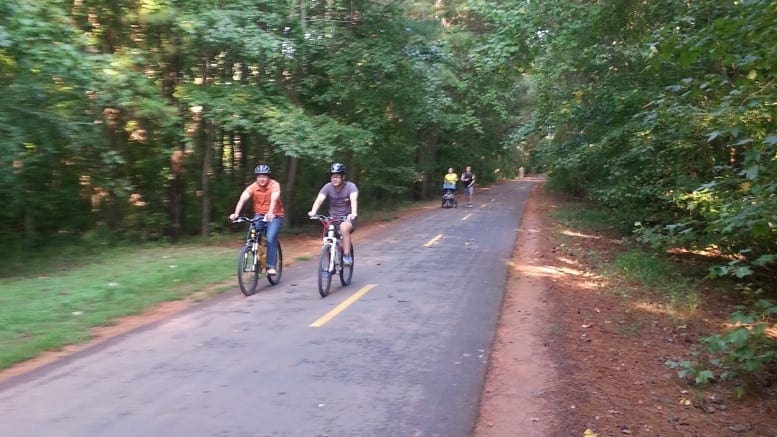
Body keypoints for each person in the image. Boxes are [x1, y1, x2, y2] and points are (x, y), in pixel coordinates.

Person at [229, 164, 284, 276]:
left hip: (275, 215)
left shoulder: (274, 185)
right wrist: (236, 213)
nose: (261, 179)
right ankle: (257, 258)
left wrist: (270, 213)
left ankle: (271, 266)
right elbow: (242, 198)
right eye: (259, 177)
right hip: (259, 215)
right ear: (256, 178)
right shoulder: (253, 186)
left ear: (268, 177)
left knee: (270, 238)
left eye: (264, 176)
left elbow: (274, 199)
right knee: (252, 236)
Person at [307, 162, 358, 266]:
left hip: (347, 218)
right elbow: (319, 200)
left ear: (343, 177)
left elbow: (353, 199)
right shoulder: (327, 187)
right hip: (333, 218)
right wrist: (313, 211)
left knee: (344, 228)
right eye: (333, 176)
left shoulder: (350, 186)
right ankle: (329, 263)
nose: (335, 179)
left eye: (338, 176)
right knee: (327, 237)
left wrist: (353, 213)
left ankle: (347, 255)